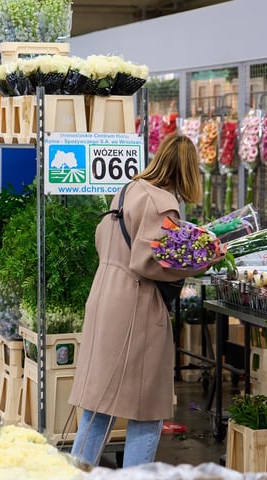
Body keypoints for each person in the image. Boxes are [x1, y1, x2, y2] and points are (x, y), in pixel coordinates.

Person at [68, 134, 219, 468]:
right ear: (187, 170)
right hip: (136, 305)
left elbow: (106, 240)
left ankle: (74, 473)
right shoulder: (161, 203)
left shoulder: (127, 190)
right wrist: (202, 261)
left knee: (98, 405)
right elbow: (149, 260)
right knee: (146, 408)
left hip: (105, 293)